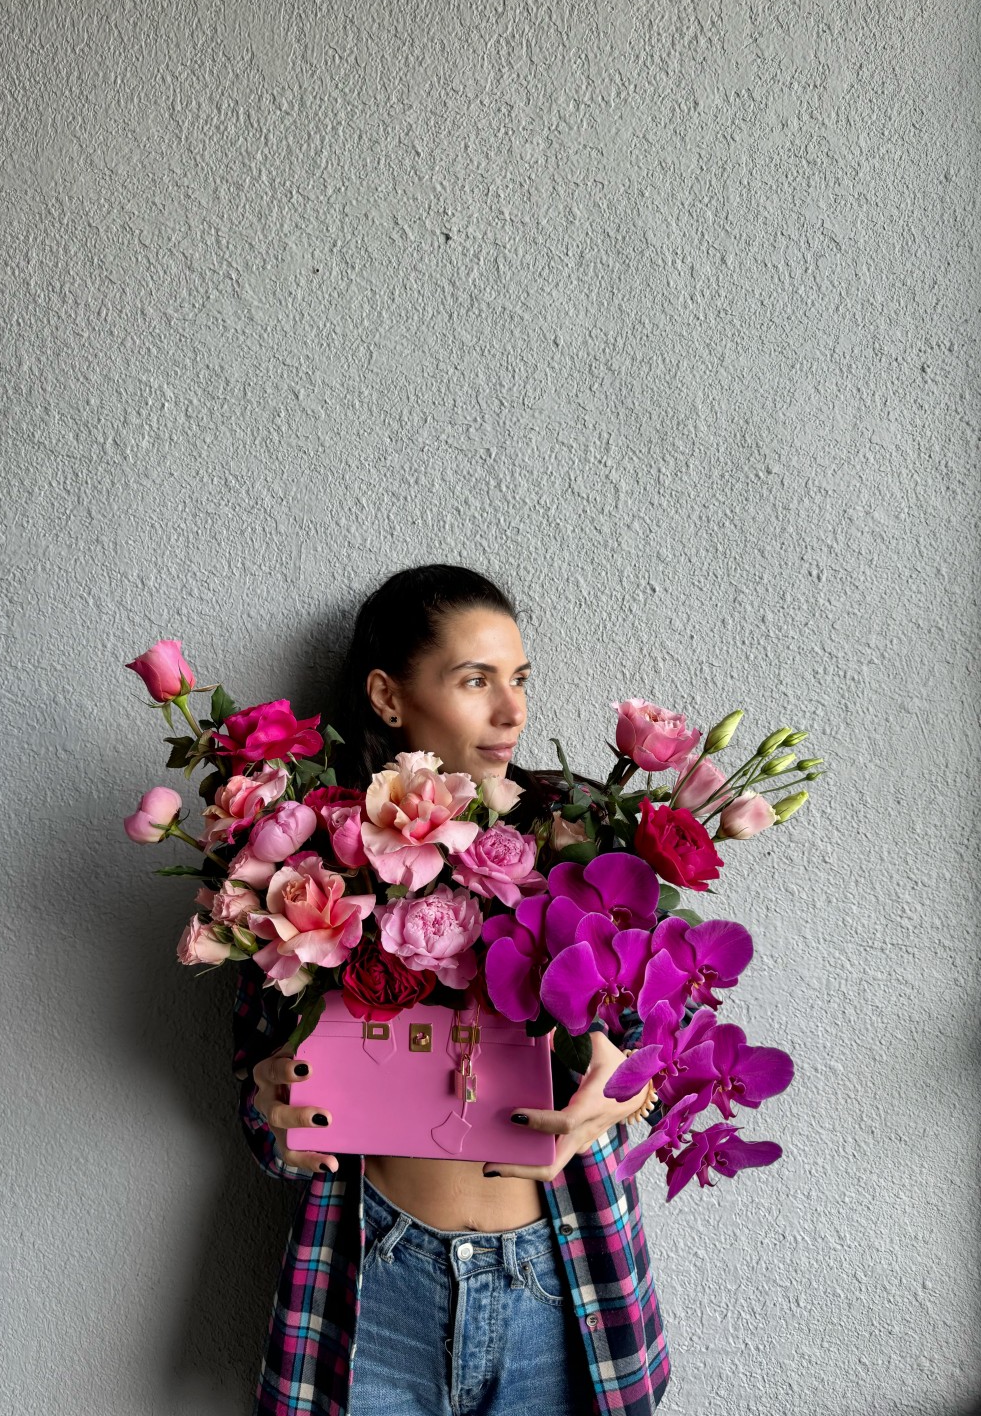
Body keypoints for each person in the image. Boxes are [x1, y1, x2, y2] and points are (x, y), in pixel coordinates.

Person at [232, 564, 672, 1416]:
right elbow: (262, 1092)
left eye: (519, 680)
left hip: (560, 1277)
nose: (514, 711)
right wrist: (275, 1115)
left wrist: (622, 1089)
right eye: (477, 681)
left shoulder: (579, 831)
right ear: (388, 698)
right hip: (372, 1279)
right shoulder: (307, 856)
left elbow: (666, 1042)